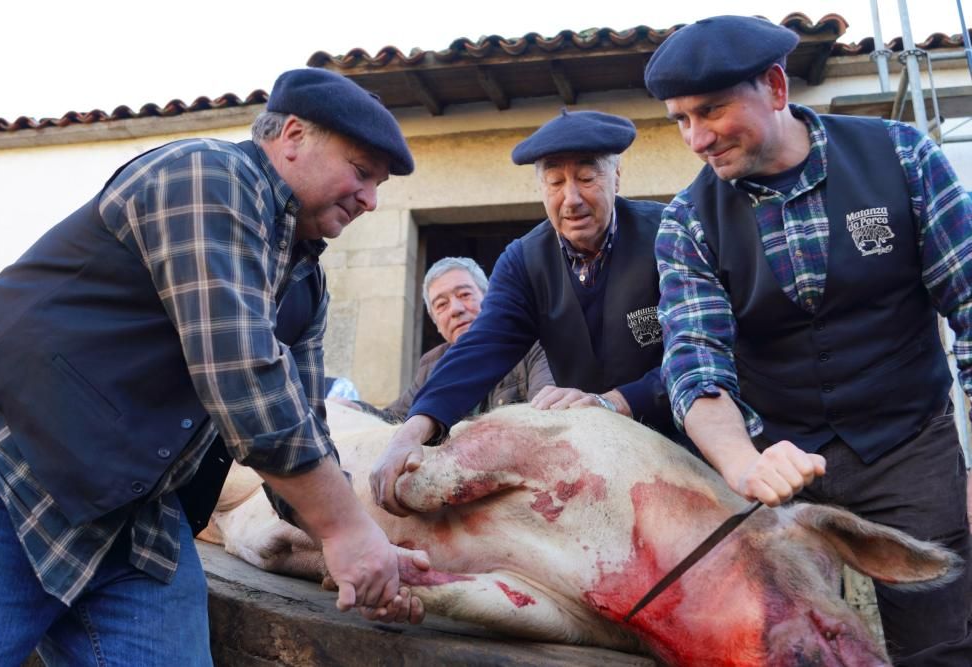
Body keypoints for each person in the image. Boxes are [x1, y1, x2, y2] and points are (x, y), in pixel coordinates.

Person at [0, 68, 428, 666]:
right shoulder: (207, 176)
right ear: (292, 136)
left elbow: (303, 433)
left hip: (132, 517)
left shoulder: (306, 285)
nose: (371, 199)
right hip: (4, 469)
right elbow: (242, 379)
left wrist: (365, 552)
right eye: (362, 172)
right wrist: (347, 534)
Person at [645, 15, 972, 664]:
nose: (696, 138)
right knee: (782, 649)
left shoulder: (903, 158)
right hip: (779, 464)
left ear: (774, 86)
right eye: (680, 119)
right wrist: (744, 465)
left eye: (710, 110)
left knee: (943, 642)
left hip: (909, 446)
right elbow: (695, 366)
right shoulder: (686, 222)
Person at [370, 109, 675, 516]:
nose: (572, 198)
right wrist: (411, 431)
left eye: (587, 178)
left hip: (678, 445)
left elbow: (700, 353)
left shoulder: (668, 235)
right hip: (593, 463)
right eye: (555, 182)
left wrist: (614, 402)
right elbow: (481, 347)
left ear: (617, 176)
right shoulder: (523, 261)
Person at [336, 256, 554, 422]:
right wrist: (355, 409)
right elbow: (395, 419)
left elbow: (546, 409)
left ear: (490, 299)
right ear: (437, 323)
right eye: (441, 304)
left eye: (465, 295)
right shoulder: (431, 365)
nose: (455, 310)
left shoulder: (529, 344)